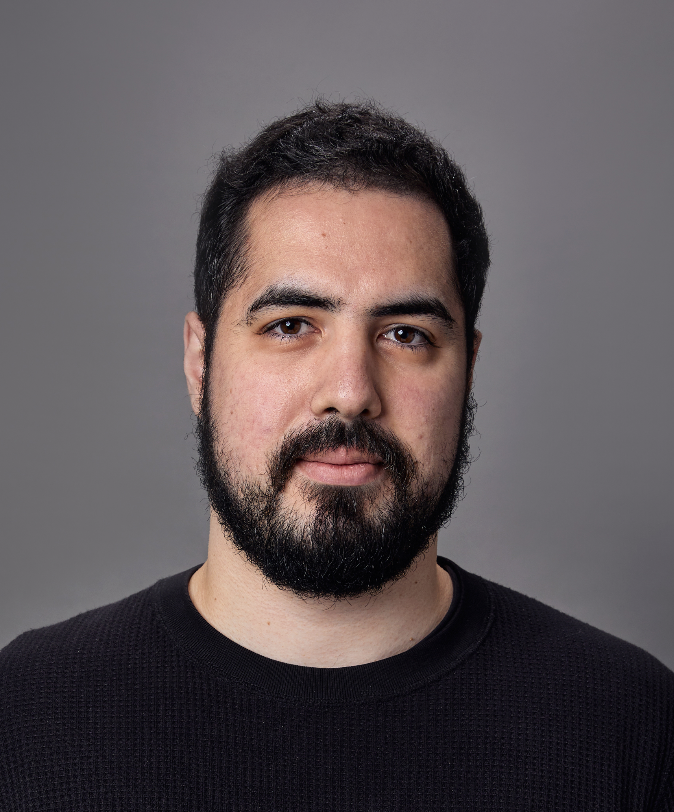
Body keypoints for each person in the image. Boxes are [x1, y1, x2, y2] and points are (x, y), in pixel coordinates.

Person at [1, 100, 672, 811]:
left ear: (468, 372)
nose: (350, 393)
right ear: (201, 364)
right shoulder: (23, 719)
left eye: (406, 334)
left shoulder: (633, 731)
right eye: (291, 325)